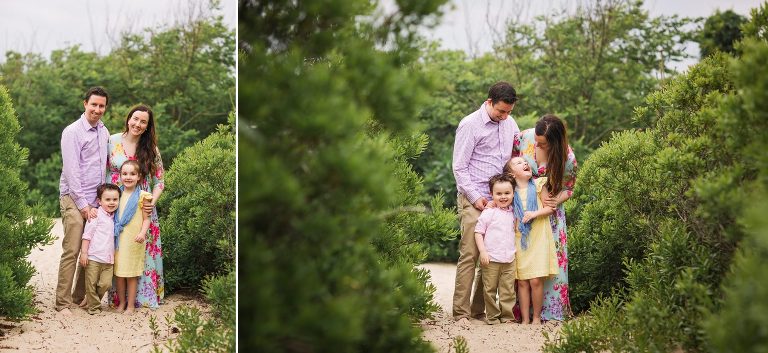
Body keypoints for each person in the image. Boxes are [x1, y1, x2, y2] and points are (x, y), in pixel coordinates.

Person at [452, 81, 520, 325]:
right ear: (489, 102)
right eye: (501, 111)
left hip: (500, 199)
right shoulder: (470, 124)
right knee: (471, 253)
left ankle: (478, 310)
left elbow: (517, 156)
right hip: (474, 197)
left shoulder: (510, 123)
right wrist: (476, 199)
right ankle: (460, 313)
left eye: (509, 112)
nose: (504, 116)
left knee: (491, 256)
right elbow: (459, 167)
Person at [512, 114, 577, 321]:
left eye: (543, 143)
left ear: (555, 142)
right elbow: (510, 164)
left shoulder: (567, 159)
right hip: (523, 207)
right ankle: (522, 311)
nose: (538, 144)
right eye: (537, 140)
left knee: (550, 262)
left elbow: (569, 188)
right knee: (522, 258)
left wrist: (555, 201)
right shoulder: (524, 138)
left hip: (549, 215)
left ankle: (550, 312)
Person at [55, 87, 110, 315]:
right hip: (73, 196)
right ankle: (62, 303)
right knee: (73, 248)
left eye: (101, 106)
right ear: (84, 104)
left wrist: (97, 203)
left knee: (91, 249)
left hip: (95, 200)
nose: (97, 110)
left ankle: (79, 297)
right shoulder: (72, 132)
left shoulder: (104, 132)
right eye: (93, 105)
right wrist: (83, 205)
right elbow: (71, 171)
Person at [107, 104, 165, 309]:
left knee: (141, 249)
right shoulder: (112, 141)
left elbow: (159, 182)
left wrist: (150, 204)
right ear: (128, 118)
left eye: (143, 122)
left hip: (143, 207)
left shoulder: (151, 149)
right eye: (135, 119)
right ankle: (119, 299)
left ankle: (144, 298)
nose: (138, 124)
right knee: (118, 251)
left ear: (148, 127)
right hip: (116, 205)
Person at [504, 157, 558, 324]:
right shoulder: (510, 191)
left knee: (535, 280)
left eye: (525, 162)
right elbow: (503, 206)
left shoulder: (539, 185)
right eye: (518, 163)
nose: (525, 163)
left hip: (538, 237)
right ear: (511, 174)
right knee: (522, 282)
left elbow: (550, 208)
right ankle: (525, 319)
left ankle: (536, 318)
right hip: (520, 239)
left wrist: (533, 214)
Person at [474, 174, 517, 325]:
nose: (503, 197)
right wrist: (483, 252)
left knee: (508, 290)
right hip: (491, 258)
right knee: (489, 289)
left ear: (513, 193)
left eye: (507, 193)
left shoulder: (514, 213)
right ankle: (492, 316)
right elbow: (478, 232)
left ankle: (507, 316)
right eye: (499, 194)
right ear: (492, 194)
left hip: (509, 259)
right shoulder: (489, 212)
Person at [113, 160, 153, 315]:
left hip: (134, 239)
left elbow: (146, 218)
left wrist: (142, 233)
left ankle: (130, 305)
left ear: (139, 177)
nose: (128, 177)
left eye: (132, 174)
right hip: (118, 240)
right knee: (119, 274)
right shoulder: (116, 193)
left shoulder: (143, 196)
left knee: (131, 274)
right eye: (124, 174)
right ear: (120, 176)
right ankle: (121, 302)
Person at [78, 184, 121, 314]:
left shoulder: (116, 217)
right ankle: (94, 307)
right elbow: (87, 236)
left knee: (106, 284)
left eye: (115, 199)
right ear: (99, 201)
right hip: (93, 258)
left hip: (108, 260)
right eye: (107, 200)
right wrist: (84, 253)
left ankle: (91, 299)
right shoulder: (95, 215)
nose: (112, 203)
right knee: (90, 284)